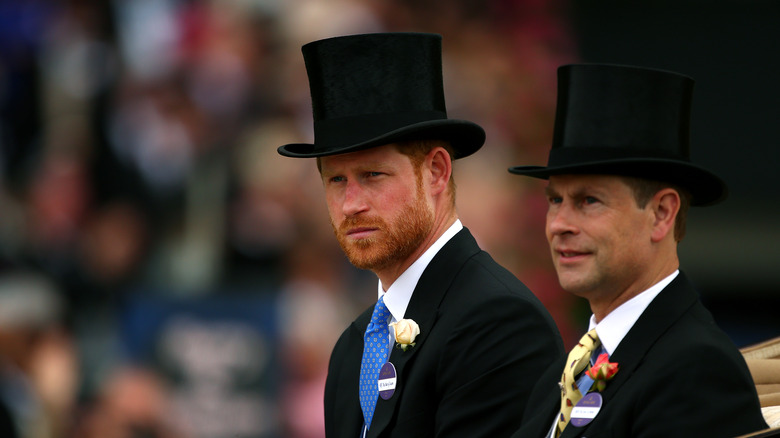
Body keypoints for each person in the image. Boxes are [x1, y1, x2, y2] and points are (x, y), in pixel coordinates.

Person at [277, 32, 563, 438]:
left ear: (437, 172)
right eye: (336, 179)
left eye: (372, 175)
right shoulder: (352, 347)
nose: (350, 203)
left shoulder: (498, 323)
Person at [508, 63, 768, 438]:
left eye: (589, 201)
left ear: (662, 214)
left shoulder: (696, 371)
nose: (558, 223)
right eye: (554, 199)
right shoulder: (565, 372)